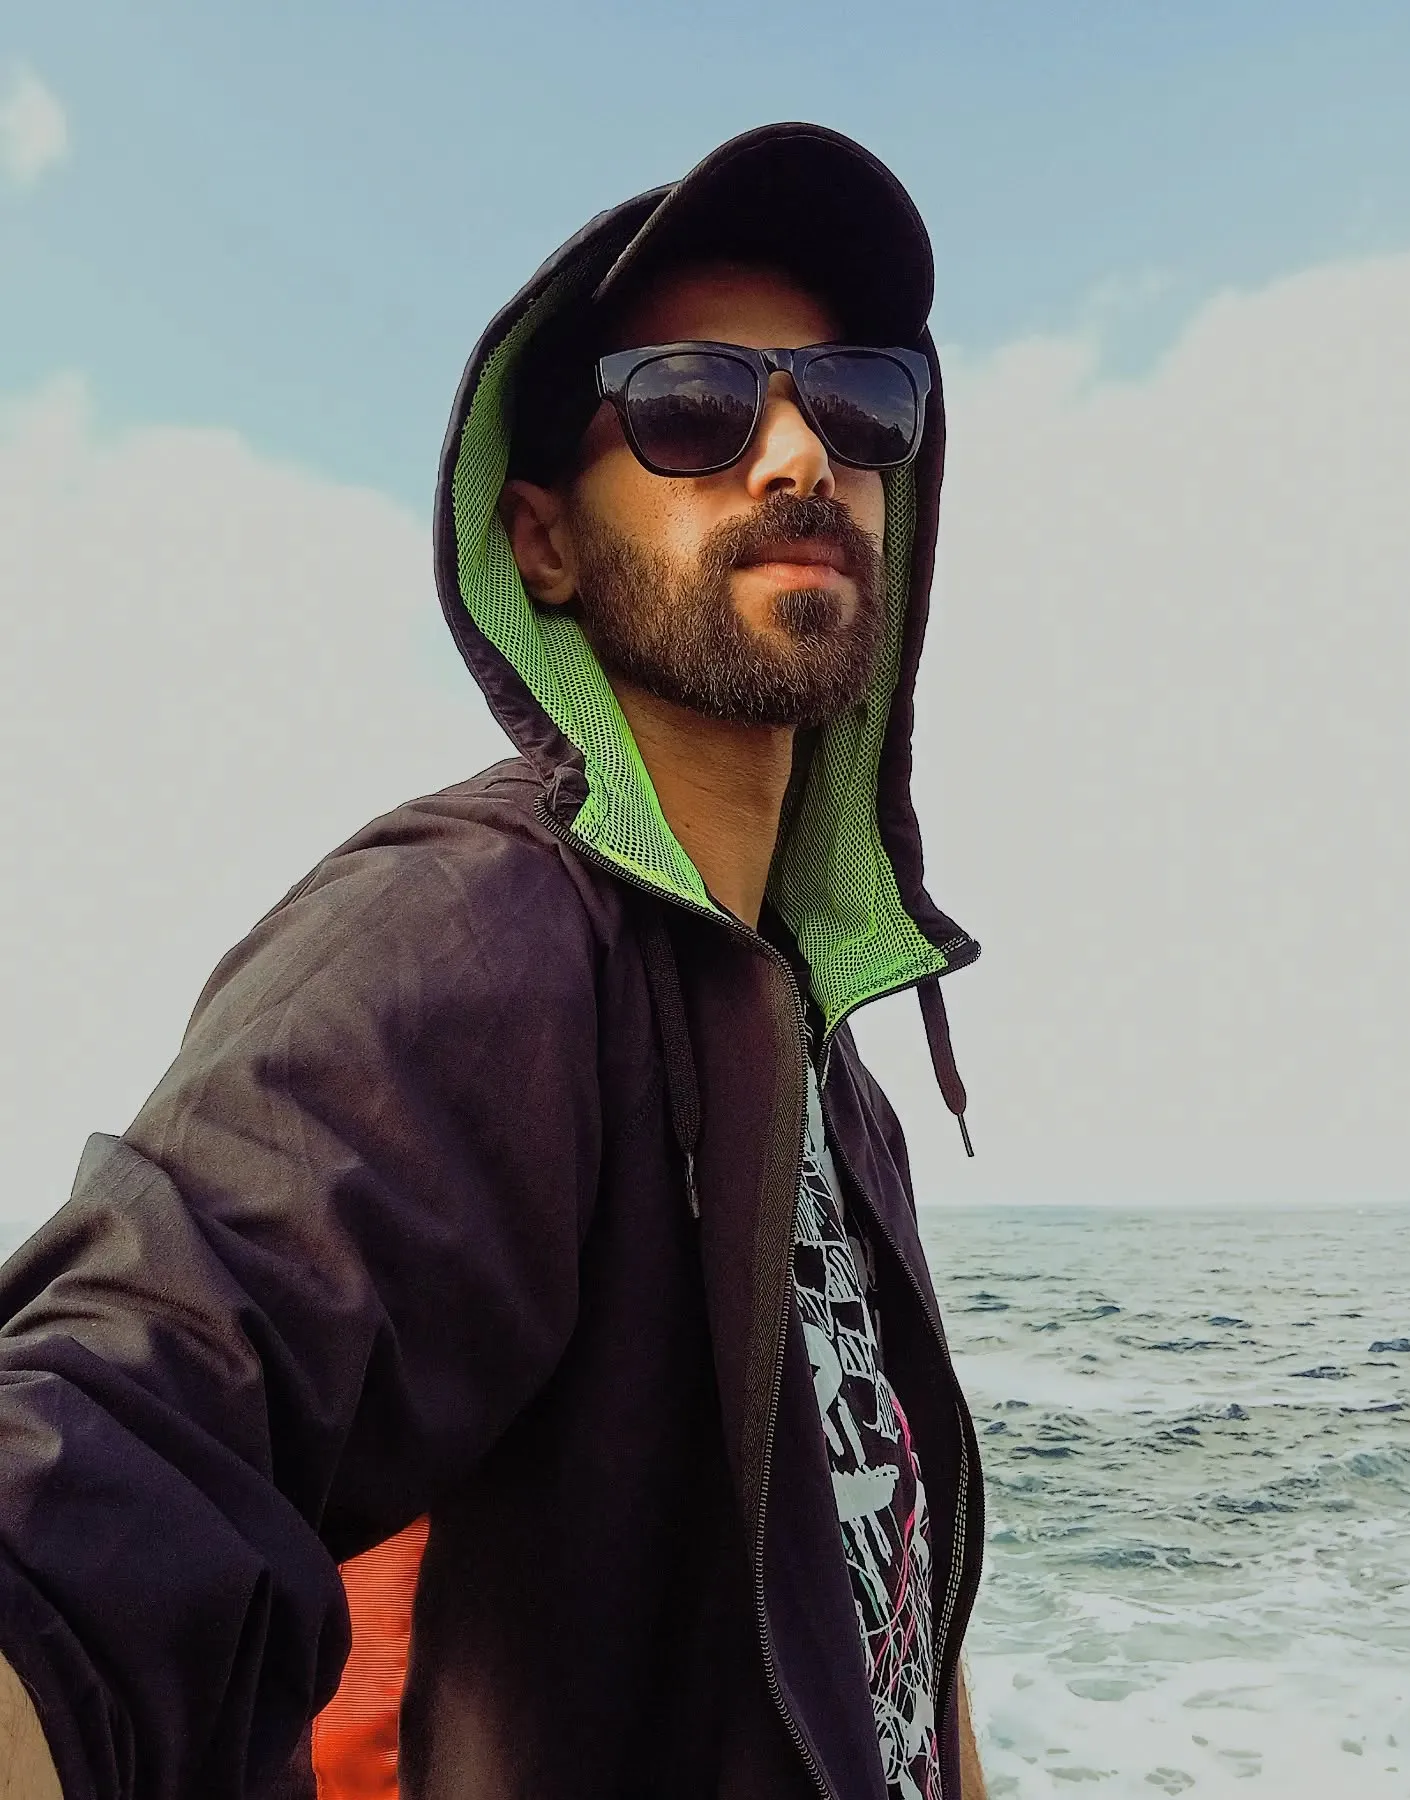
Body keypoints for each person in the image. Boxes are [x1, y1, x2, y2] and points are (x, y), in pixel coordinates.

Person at [0, 122, 986, 1800]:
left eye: (857, 404)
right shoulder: (480, 927)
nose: (795, 455)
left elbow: (889, 1595)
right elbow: (141, 1409)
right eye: (691, 405)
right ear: (541, 541)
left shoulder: (831, 1064)